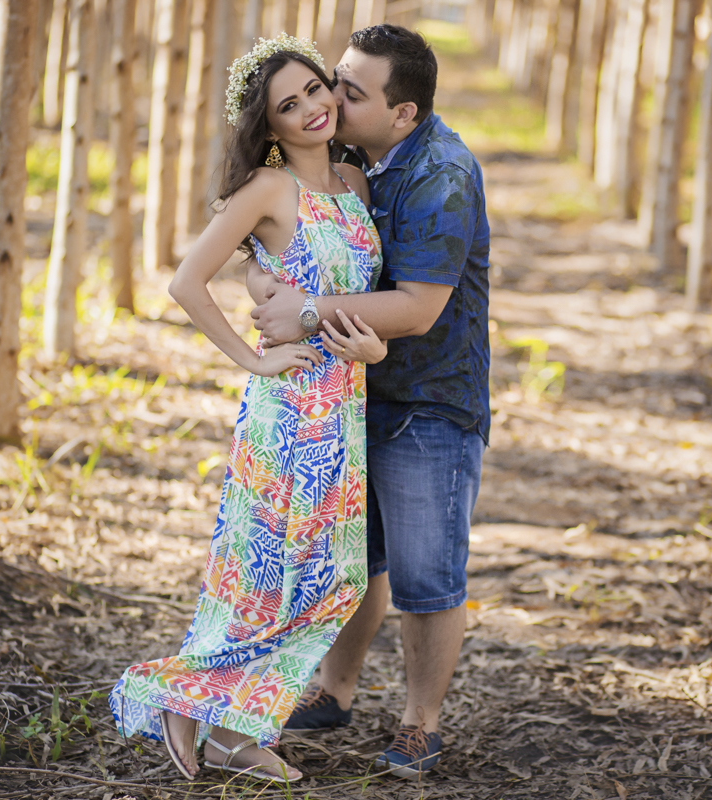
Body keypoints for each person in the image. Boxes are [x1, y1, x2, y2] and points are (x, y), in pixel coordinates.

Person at [108, 34, 388, 784]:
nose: (311, 109)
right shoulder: (268, 189)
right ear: (270, 127)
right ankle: (190, 697)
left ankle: (230, 724)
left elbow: (343, 297)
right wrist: (254, 358)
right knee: (275, 576)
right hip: (290, 413)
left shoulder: (355, 184)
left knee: (334, 577)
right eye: (289, 106)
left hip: (345, 407)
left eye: (315, 90)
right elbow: (186, 282)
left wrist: (369, 348)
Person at [249, 24, 491, 778]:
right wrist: (265, 279)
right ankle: (335, 691)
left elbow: (416, 307)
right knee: (358, 559)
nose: (330, 98)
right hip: (352, 395)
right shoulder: (350, 161)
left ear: (403, 113)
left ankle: (420, 725)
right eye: (333, 79)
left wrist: (307, 312)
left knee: (427, 577)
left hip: (428, 405)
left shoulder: (442, 175)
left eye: (351, 91)